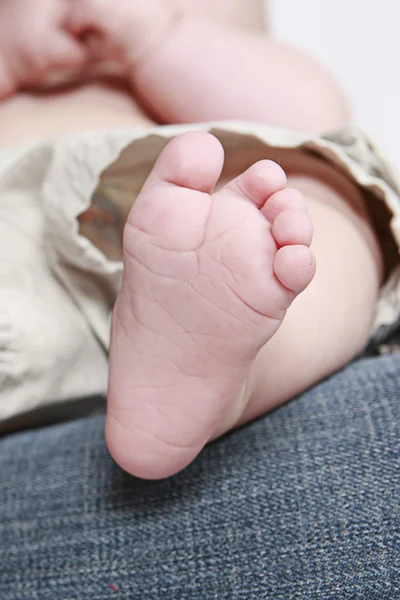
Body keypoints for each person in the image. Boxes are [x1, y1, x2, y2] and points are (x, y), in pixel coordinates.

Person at [0, 0, 399, 483]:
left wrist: (158, 42)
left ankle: (227, 379)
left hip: (176, 238)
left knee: (327, 190)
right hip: (18, 259)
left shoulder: (197, 58)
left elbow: (308, 117)